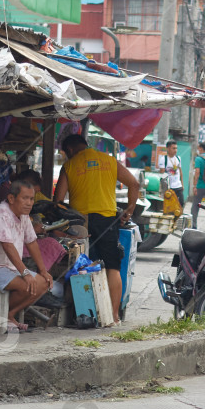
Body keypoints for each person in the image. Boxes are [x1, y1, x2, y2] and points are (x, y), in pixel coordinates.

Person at [54, 134, 140, 325]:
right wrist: (130, 210)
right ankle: (113, 317)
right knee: (112, 267)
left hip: (81, 223)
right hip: (108, 220)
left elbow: (58, 201)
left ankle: (85, 315)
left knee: (82, 266)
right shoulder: (109, 160)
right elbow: (134, 184)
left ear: (69, 150)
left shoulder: (69, 166)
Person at [0, 180, 53, 332]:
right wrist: (25, 272)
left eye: (31, 199)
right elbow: (7, 245)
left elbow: (32, 242)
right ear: (11, 198)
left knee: (44, 283)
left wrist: (43, 270)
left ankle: (7, 314)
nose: (29, 203)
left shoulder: (23, 215)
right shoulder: (2, 212)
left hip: (8, 269)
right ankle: (0, 316)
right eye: (25, 198)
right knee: (27, 285)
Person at [158, 140, 184, 206]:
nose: (175, 150)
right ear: (168, 148)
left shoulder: (178, 158)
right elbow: (162, 174)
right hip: (170, 187)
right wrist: (161, 189)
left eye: (176, 148)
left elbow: (180, 171)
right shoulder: (164, 159)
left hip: (178, 185)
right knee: (170, 205)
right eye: (173, 148)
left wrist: (182, 184)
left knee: (181, 203)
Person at [191, 142, 205, 229]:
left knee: (195, 206)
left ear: (201, 148)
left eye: (198, 148)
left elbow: (197, 173)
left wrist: (194, 186)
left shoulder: (198, 159)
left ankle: (194, 225)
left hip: (200, 185)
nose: (198, 149)